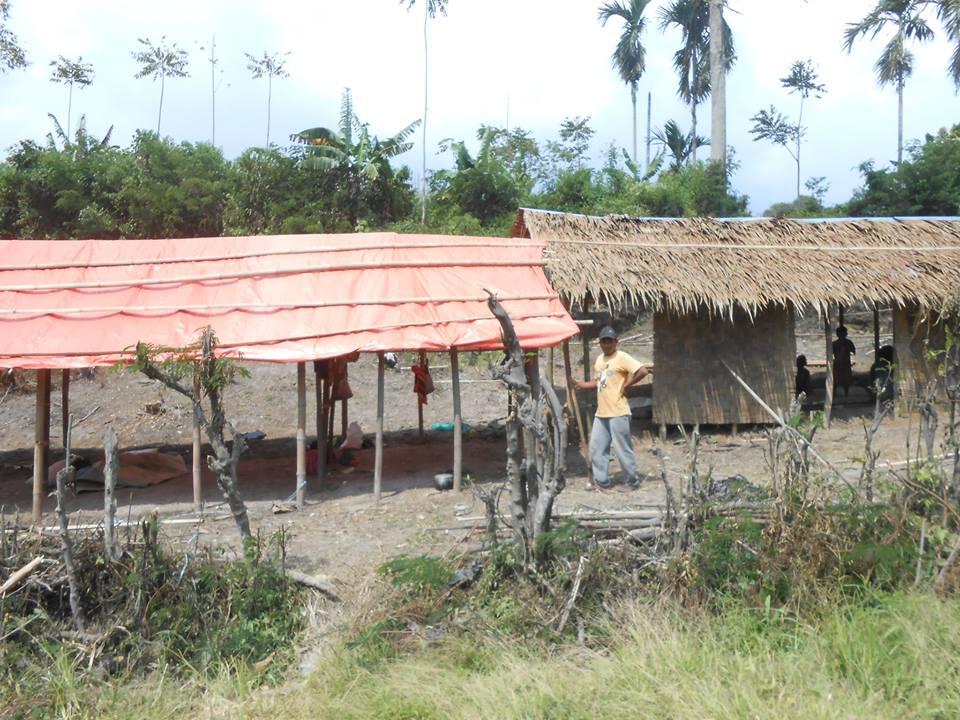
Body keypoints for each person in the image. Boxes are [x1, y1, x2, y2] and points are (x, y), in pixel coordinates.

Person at [575, 325, 649, 488]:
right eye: (603, 341)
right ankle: (602, 480)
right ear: (600, 343)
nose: (606, 344)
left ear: (616, 342)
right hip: (601, 413)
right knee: (596, 447)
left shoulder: (621, 357)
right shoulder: (600, 360)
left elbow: (642, 371)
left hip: (618, 411)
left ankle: (632, 480)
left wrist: (627, 385)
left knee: (622, 449)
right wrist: (581, 385)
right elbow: (598, 382)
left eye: (609, 341)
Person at [832, 326, 856, 397]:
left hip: (843, 363)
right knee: (837, 379)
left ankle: (844, 394)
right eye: (843, 333)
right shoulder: (836, 343)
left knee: (844, 380)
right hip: (839, 363)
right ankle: (840, 394)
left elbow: (853, 352)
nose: (844, 334)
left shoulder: (847, 343)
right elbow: (853, 352)